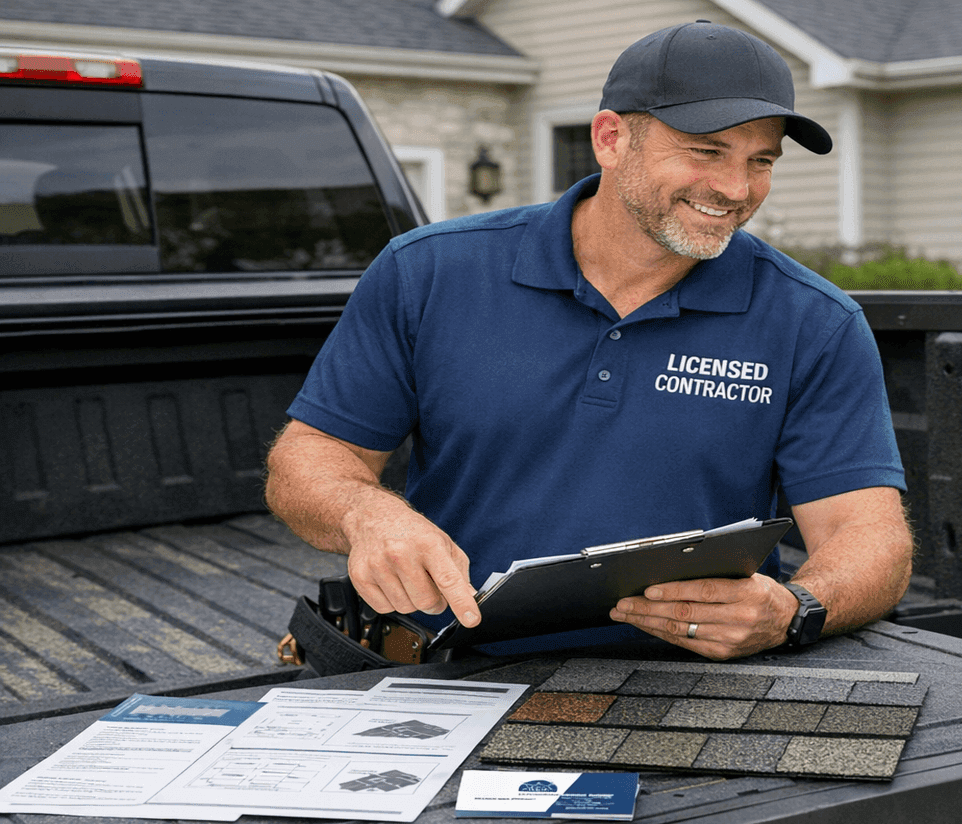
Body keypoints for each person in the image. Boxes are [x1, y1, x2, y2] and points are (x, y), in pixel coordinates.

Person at [264, 21, 912, 661]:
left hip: (689, 688)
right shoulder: (428, 272)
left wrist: (796, 609)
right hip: (447, 670)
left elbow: (868, 535)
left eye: (760, 161)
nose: (737, 190)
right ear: (609, 139)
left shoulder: (814, 320)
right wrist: (368, 515)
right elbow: (310, 458)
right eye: (706, 152)